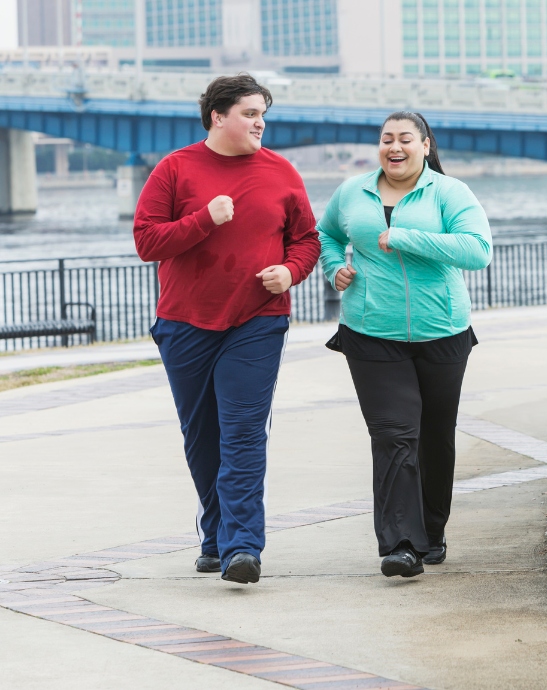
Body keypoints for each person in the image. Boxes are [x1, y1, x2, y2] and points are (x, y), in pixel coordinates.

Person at [133, 74, 320, 585]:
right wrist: (204, 219)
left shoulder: (282, 172)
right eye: (250, 113)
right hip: (184, 323)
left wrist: (291, 272)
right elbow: (147, 242)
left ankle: (242, 547)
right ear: (218, 117)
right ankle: (215, 536)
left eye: (263, 114)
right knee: (202, 438)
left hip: (258, 321)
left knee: (243, 434)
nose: (260, 123)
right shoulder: (175, 169)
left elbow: (307, 240)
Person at [318, 111, 492, 578]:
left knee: (435, 437)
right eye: (386, 139)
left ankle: (432, 532)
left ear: (425, 145)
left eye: (405, 139)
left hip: (443, 331)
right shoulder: (352, 191)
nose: (394, 147)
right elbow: (326, 234)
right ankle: (401, 544)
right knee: (394, 435)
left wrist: (407, 238)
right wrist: (334, 267)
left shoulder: (449, 192)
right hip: (371, 331)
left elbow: (477, 250)